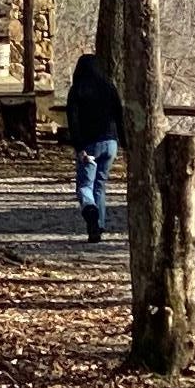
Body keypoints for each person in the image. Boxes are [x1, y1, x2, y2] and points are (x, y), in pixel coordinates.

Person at [62, 50, 123, 244]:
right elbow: (119, 115)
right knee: (100, 184)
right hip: (111, 144)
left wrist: (79, 146)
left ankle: (90, 210)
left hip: (90, 145)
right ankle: (99, 225)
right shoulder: (109, 87)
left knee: (85, 185)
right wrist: (123, 141)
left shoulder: (77, 90)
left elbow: (73, 120)